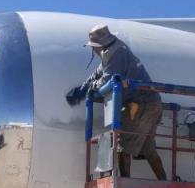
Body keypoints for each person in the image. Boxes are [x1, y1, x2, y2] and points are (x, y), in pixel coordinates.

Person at [66, 24, 167, 180]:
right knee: (147, 147)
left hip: (139, 104)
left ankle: (123, 182)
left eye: (93, 47)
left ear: (98, 46)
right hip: (150, 103)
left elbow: (107, 79)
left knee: (122, 144)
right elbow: (98, 74)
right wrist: (83, 88)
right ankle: (164, 182)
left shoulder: (116, 54)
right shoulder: (113, 51)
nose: (93, 50)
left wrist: (89, 90)